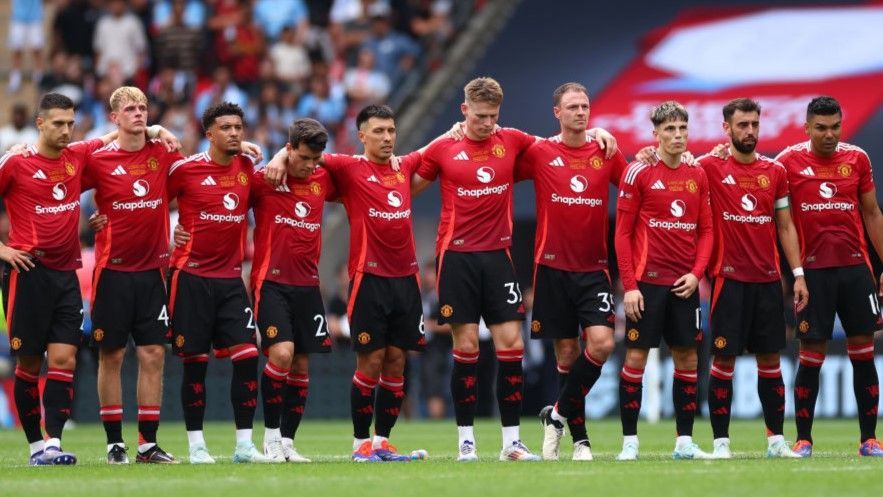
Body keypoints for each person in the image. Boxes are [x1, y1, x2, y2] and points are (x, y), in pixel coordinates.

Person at [412, 77, 617, 462]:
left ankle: (511, 443)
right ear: (464, 111)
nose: (487, 123)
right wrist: (433, 140)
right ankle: (466, 443)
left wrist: (596, 129)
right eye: (480, 116)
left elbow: (565, 142)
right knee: (467, 347)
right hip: (456, 257)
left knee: (513, 347)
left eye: (493, 117)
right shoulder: (444, 147)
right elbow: (407, 188)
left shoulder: (513, 140)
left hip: (499, 256)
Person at [265, 105, 427, 462]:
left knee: (397, 360)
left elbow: (436, 153)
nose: (387, 138)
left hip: (407, 279)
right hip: (368, 279)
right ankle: (359, 445)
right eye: (379, 131)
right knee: (370, 361)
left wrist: (459, 128)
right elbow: (302, 151)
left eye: (391, 131)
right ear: (362, 136)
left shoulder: (407, 166)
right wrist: (277, 154)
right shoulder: (347, 167)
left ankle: (382, 442)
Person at [167, 102, 278, 464]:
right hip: (191, 278)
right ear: (209, 133)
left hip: (231, 280)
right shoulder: (185, 171)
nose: (234, 133)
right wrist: (170, 231)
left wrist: (281, 155)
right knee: (195, 363)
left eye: (238, 127)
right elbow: (148, 202)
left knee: (247, 356)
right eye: (226, 127)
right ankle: (197, 445)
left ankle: (244, 446)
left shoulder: (248, 167)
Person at [0, 93, 108, 465]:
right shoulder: (15, 163)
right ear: (40, 123)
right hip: (27, 274)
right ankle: (34, 448)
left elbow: (112, 139)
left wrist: (156, 128)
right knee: (30, 365)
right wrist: (3, 250)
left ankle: (54, 444)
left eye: (70, 123)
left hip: (66, 276)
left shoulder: (77, 157)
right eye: (58, 123)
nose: (65, 130)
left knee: (64, 359)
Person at [697, 98, 807, 459]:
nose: (749, 131)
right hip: (728, 280)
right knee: (724, 362)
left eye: (754, 124)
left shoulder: (774, 172)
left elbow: (786, 225)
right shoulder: (708, 167)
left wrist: (798, 274)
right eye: (742, 125)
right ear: (726, 128)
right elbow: (673, 165)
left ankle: (776, 440)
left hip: (768, 281)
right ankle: (721, 444)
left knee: (770, 360)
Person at [776, 96, 883, 457]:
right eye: (821, 128)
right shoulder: (787, 162)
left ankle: (869, 439)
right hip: (813, 275)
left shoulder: (857, 159)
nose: (829, 134)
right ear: (806, 128)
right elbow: (768, 202)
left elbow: (872, 215)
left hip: (856, 271)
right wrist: (796, 274)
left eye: (835, 126)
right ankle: (803, 439)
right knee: (811, 356)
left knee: (864, 355)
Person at [526, 82, 627, 461]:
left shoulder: (605, 150)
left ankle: (555, 415)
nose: (581, 112)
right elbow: (497, 153)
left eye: (585, 106)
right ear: (557, 112)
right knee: (567, 354)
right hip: (551, 267)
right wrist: (459, 129)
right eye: (572, 106)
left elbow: (636, 183)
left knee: (601, 343)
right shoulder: (539, 151)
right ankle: (580, 441)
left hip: (593, 270)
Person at [84, 87, 181, 464]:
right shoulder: (98, 160)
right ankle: (113, 444)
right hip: (113, 271)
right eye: (130, 109)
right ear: (115, 117)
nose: (138, 113)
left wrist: (157, 130)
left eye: (143, 108)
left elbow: (188, 185)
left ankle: (147, 444)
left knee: (154, 354)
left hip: (153, 272)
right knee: (111, 354)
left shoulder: (162, 152)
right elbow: (64, 187)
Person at [614, 101, 713, 461]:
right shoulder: (637, 172)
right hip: (647, 284)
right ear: (655, 134)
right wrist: (630, 286)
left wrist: (696, 273)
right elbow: (622, 235)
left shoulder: (697, 174)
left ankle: (684, 442)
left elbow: (706, 230)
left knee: (688, 359)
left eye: (682, 129)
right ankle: (630, 443)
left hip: (684, 285)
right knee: (636, 358)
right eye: (669, 130)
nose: (677, 136)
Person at [251, 119, 334, 463]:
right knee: (281, 354)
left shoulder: (323, 179)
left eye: (315, 160)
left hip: (308, 284)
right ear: (289, 149)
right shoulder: (264, 179)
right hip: (271, 282)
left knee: (300, 364)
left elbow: (348, 166)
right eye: (303, 158)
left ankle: (287, 441)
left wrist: (289, 159)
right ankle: (270, 438)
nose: (309, 166)